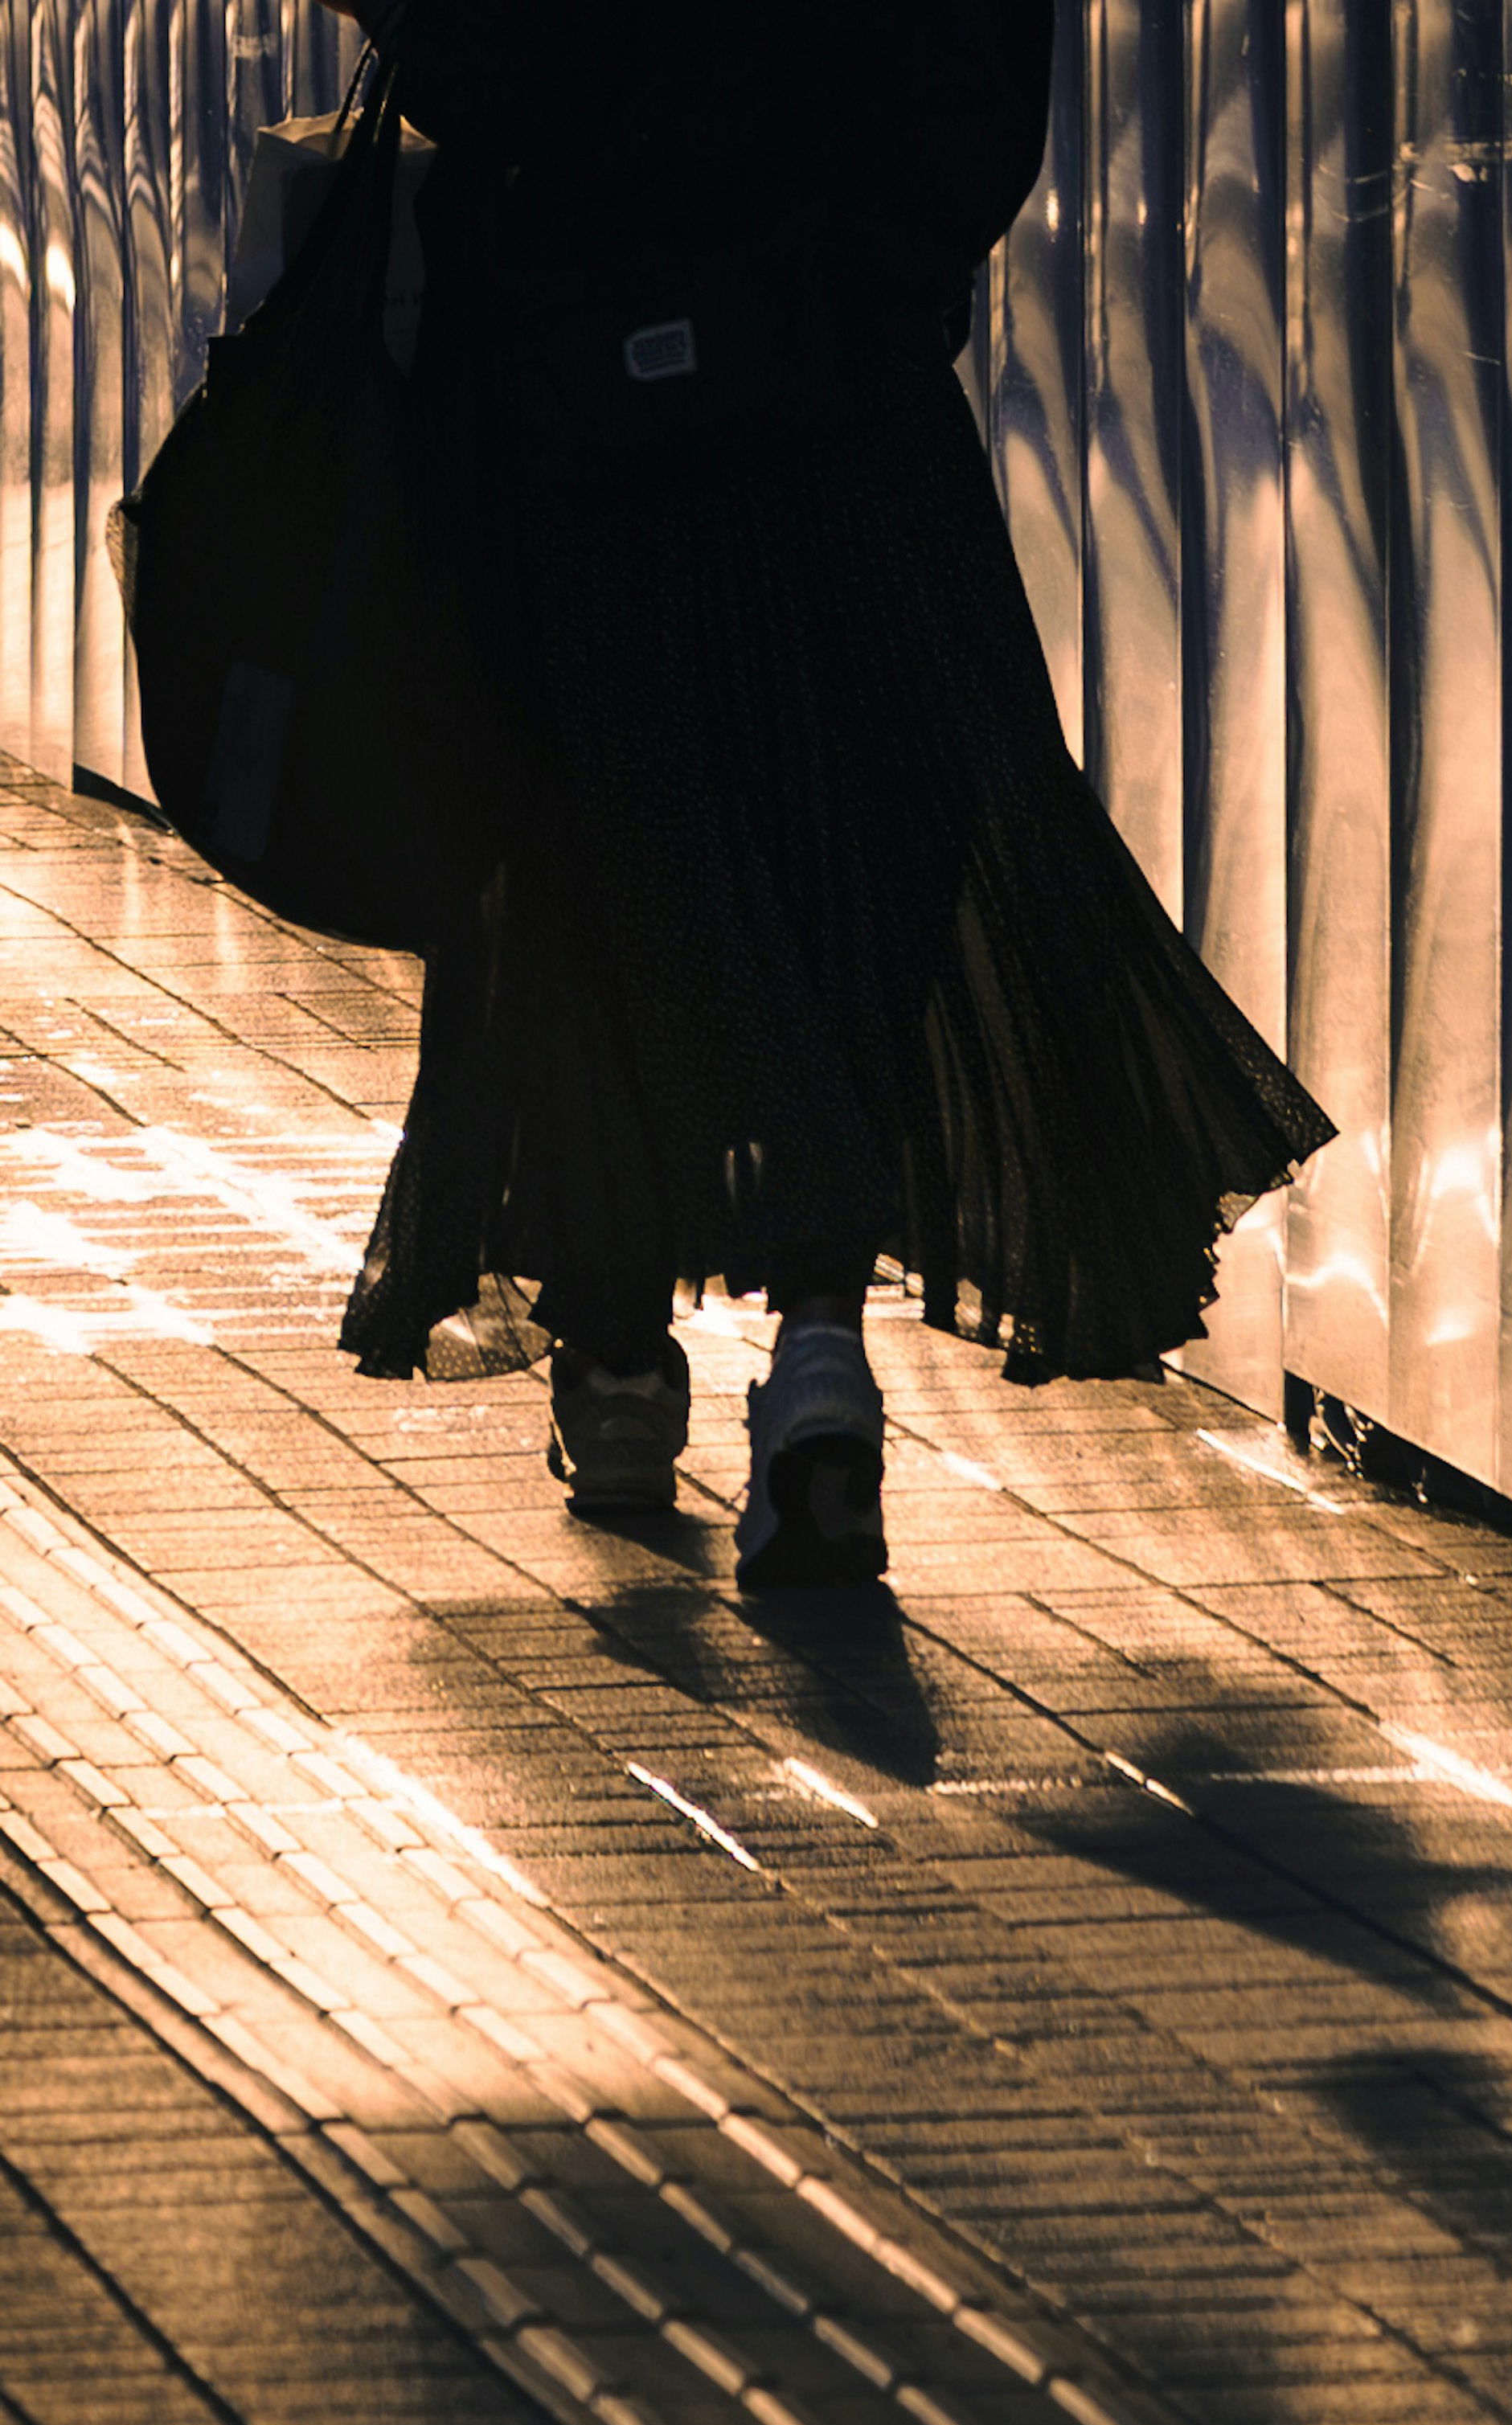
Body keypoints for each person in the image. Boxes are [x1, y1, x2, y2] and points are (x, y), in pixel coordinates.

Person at [326, 0, 1330, 1590]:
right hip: (846, 411)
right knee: (855, 873)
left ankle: (619, 1363)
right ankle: (815, 1377)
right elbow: (975, 108)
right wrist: (857, 285)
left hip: (589, 417)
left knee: (603, 882)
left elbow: (479, 66)